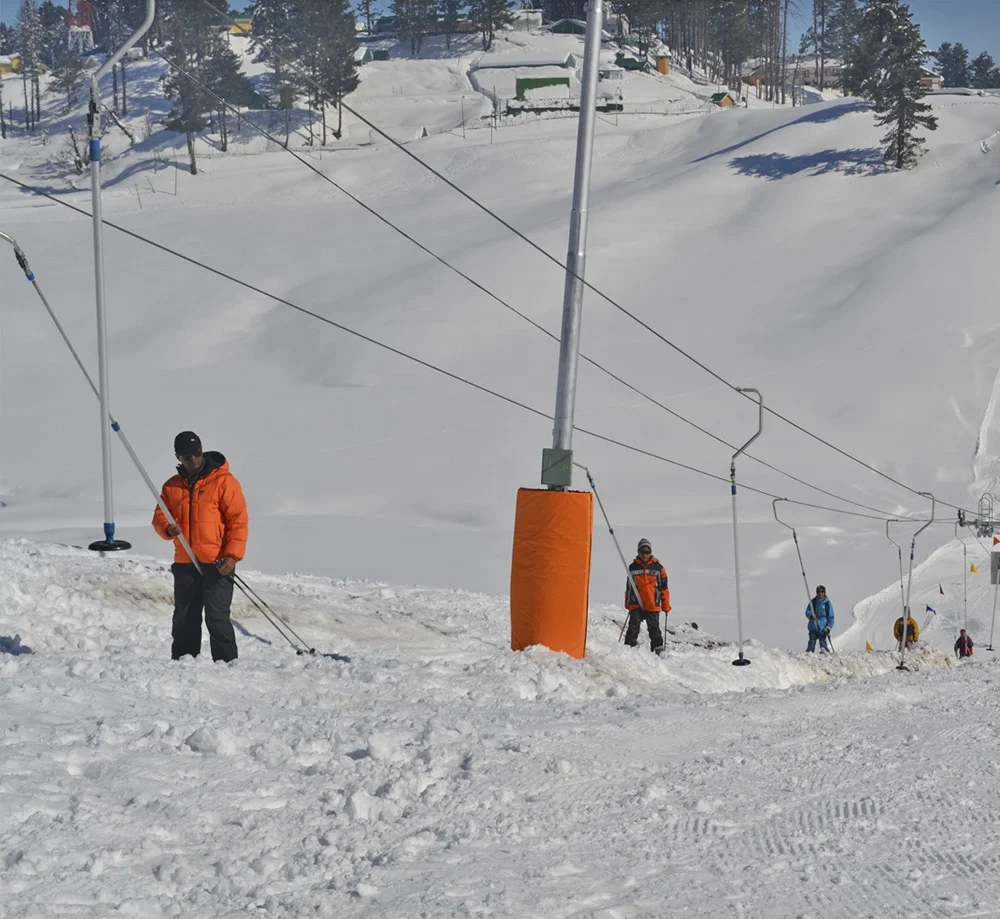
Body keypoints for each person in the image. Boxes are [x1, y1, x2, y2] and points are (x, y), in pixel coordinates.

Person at [152, 431, 248, 663]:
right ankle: (184, 663)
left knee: (217, 616)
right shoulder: (171, 487)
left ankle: (226, 665)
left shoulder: (224, 481)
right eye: (186, 455)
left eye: (196, 452)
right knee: (185, 617)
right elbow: (159, 517)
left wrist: (232, 556)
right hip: (185, 562)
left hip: (217, 562)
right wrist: (168, 529)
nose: (193, 458)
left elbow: (238, 520)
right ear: (178, 456)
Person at [624, 538, 671, 655]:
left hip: (652, 604)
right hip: (636, 603)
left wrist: (665, 605)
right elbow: (629, 587)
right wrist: (628, 603)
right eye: (642, 551)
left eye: (647, 552)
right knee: (633, 628)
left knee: (654, 629)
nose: (645, 554)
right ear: (638, 552)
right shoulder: (632, 567)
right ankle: (627, 651)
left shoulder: (659, 568)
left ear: (650, 552)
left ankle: (658, 650)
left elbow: (664, 589)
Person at [805, 585, 834, 652]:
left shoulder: (827, 603)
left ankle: (825, 656)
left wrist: (828, 627)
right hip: (813, 626)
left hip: (823, 627)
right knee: (811, 643)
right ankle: (808, 657)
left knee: (823, 643)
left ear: (824, 592)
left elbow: (831, 617)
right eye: (818, 592)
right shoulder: (813, 602)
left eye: (821, 592)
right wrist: (811, 616)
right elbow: (807, 611)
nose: (820, 594)